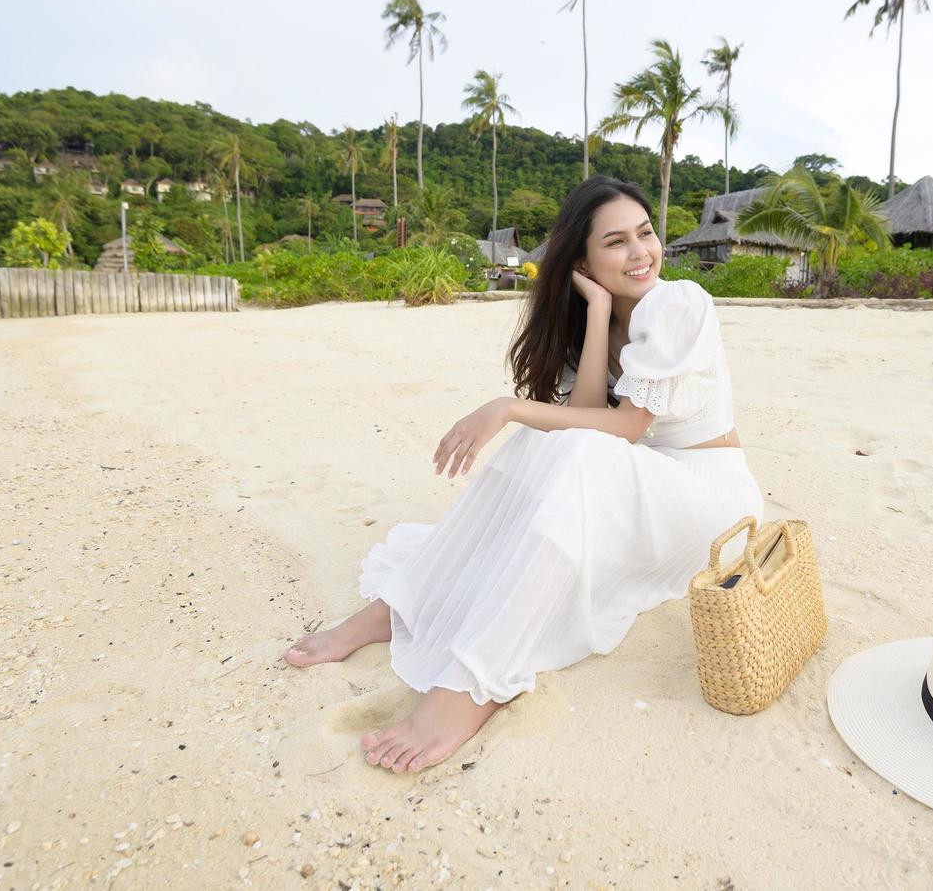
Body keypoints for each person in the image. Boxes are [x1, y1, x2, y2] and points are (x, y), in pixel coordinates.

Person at [284, 175, 765, 774]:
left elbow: (623, 427)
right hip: (643, 484)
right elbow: (583, 416)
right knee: (552, 442)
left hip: (712, 507)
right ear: (583, 259)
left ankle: (473, 685)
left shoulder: (678, 302)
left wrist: (506, 407)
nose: (640, 253)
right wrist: (594, 316)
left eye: (645, 233)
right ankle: (399, 607)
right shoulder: (594, 316)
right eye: (615, 242)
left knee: (563, 441)